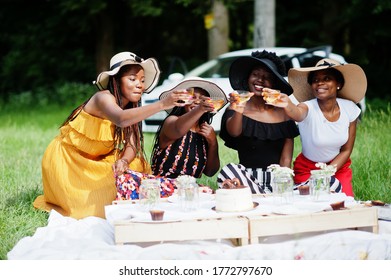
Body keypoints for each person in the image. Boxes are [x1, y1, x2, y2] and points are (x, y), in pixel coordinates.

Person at [33, 51, 187, 219]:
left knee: (137, 165)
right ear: (116, 79)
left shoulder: (132, 108)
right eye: (132, 79)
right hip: (70, 161)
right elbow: (120, 119)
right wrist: (162, 104)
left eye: (142, 80)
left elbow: (132, 144)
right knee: (95, 207)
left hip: (98, 159)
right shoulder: (102, 98)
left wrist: (123, 160)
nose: (139, 85)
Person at [266, 58, 367, 197]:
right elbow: (297, 113)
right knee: (313, 203)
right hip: (308, 169)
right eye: (315, 80)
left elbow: (346, 150)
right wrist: (287, 103)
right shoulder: (307, 107)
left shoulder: (350, 109)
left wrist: (328, 172)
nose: (320, 83)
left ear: (338, 83)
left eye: (327, 78)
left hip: (338, 167)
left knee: (344, 204)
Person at [217, 50, 300, 194]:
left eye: (266, 77)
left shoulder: (283, 113)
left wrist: (283, 188)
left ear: (273, 84)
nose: (260, 80)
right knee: (228, 171)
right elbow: (234, 132)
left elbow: (286, 160)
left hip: (277, 179)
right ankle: (262, 197)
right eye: (255, 74)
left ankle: (266, 198)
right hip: (245, 178)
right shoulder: (237, 106)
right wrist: (240, 108)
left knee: (331, 183)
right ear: (248, 77)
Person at [151, 77, 228, 178]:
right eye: (192, 97)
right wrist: (200, 108)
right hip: (163, 185)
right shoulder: (171, 121)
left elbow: (210, 172)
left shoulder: (204, 131)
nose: (197, 102)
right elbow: (178, 130)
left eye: (202, 99)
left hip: (190, 189)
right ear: (181, 101)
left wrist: (213, 143)